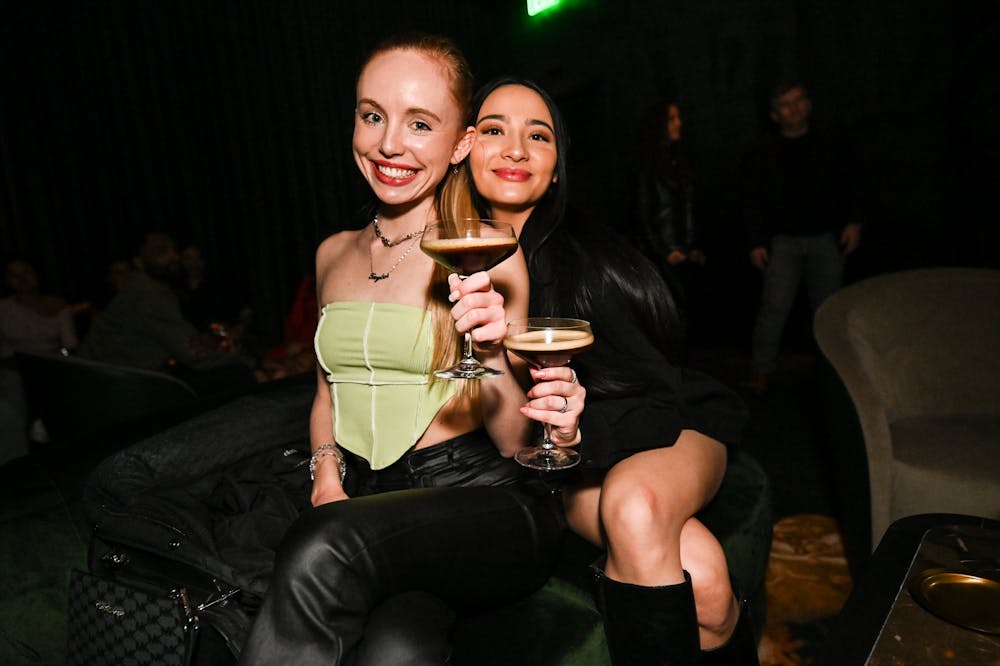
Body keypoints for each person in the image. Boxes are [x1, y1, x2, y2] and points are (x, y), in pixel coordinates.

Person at [238, 34, 582, 665]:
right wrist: (325, 480)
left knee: (324, 547)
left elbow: (513, 443)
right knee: (399, 649)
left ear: (460, 144)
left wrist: (497, 351)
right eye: (372, 116)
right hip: (367, 508)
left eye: (419, 123)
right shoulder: (331, 254)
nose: (388, 143)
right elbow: (325, 395)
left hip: (480, 500)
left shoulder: (487, 252)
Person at [461, 76, 757, 664]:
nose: (516, 149)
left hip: (669, 423)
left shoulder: (585, 259)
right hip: (561, 466)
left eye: (538, 136)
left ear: (556, 164)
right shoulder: (452, 258)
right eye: (495, 130)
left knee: (635, 504)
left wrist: (576, 432)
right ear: (464, 145)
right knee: (707, 586)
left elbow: (656, 393)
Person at [741, 82, 863, 393]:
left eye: (798, 101)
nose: (793, 108)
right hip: (783, 242)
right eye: (786, 104)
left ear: (808, 104)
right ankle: (761, 369)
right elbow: (752, 197)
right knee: (774, 307)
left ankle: (837, 376)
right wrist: (756, 241)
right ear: (774, 113)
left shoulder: (830, 142)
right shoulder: (764, 150)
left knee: (829, 310)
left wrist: (853, 222)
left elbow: (850, 182)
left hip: (825, 238)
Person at [78, 231, 255, 396]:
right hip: (120, 389)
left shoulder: (144, 290)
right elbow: (193, 354)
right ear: (139, 262)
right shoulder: (149, 295)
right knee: (239, 374)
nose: (174, 257)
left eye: (174, 250)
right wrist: (248, 363)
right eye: (162, 251)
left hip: (109, 382)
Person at [634, 99, 706, 336]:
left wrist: (692, 246)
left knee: (688, 318)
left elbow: (686, 210)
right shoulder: (647, 165)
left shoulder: (679, 161)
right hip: (663, 257)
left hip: (684, 254)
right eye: (672, 119)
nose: (679, 123)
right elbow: (643, 214)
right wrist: (664, 251)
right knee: (670, 319)